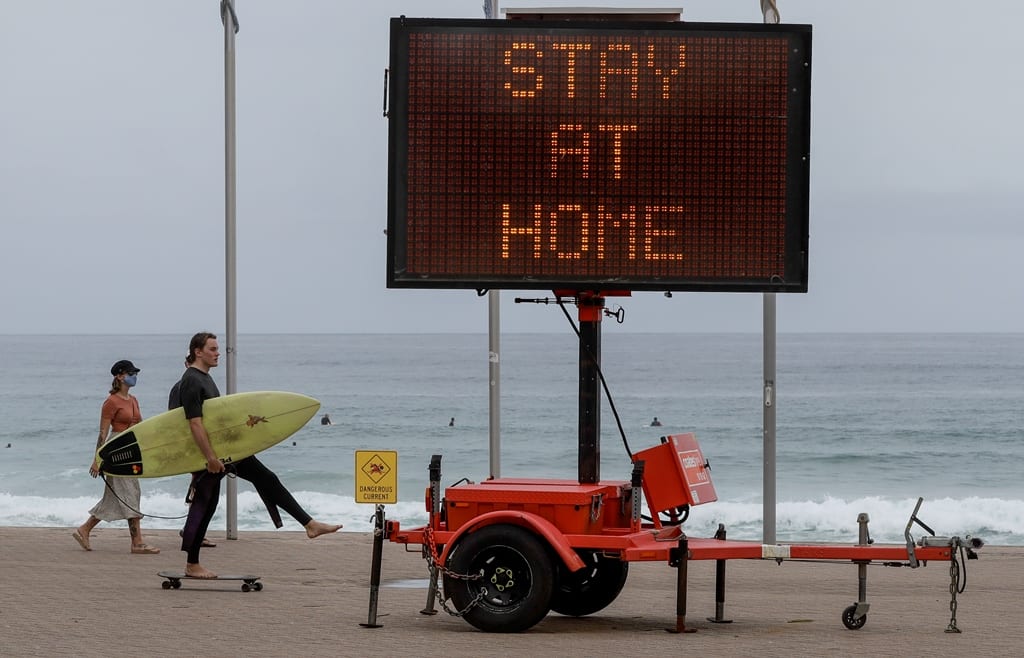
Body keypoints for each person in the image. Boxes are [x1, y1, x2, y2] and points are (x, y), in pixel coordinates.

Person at [174, 332, 342, 579]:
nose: (217, 352)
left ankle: (309, 524)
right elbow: (195, 424)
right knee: (205, 506)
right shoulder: (191, 381)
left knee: (266, 478)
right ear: (198, 352)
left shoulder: (205, 379)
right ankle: (192, 564)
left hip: (227, 452)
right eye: (212, 349)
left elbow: (217, 420)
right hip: (212, 455)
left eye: (217, 348)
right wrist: (209, 458)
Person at [72, 360, 160, 555]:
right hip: (116, 450)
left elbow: (140, 427)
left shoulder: (134, 400)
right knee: (130, 493)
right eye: (131, 373)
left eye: (135, 373)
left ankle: (84, 530)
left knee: (117, 496)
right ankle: (137, 542)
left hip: (131, 449)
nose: (134, 376)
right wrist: (97, 459)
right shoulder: (111, 402)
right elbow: (103, 433)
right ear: (119, 376)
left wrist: (149, 448)